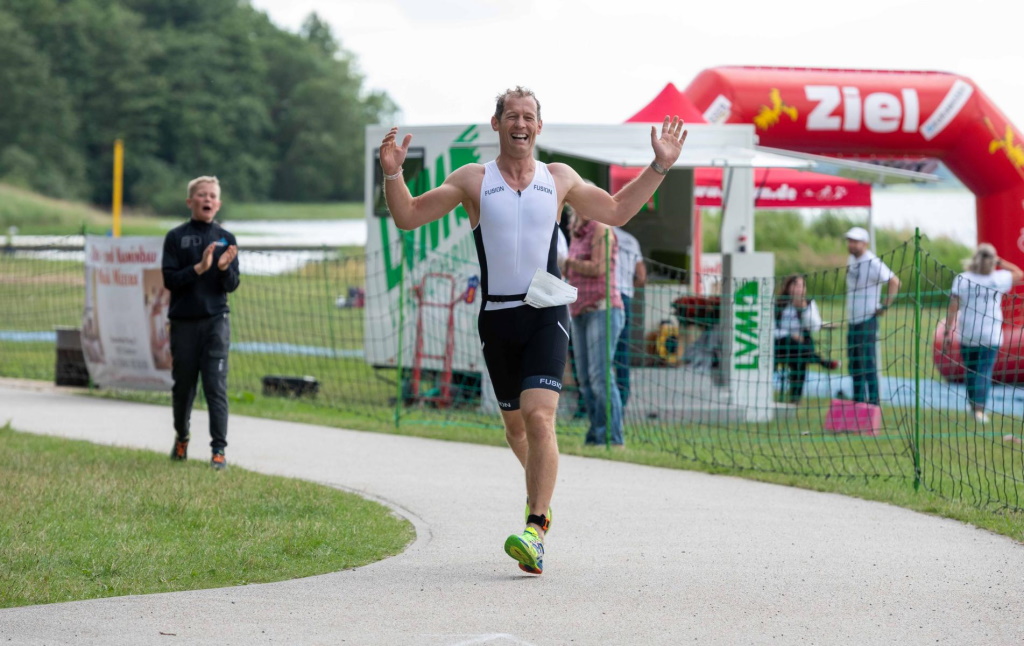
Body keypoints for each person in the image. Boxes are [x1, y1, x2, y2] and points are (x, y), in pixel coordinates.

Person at [379, 86, 686, 575]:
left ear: (539, 127)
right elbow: (408, 216)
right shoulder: (473, 180)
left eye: (529, 117)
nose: (520, 124)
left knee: (540, 418)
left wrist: (660, 166)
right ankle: (539, 502)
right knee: (516, 427)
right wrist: (393, 172)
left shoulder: (559, 178)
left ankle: (536, 526)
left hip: (547, 311)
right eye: (512, 116)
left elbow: (616, 211)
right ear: (496, 124)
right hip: (497, 319)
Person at [162, 176, 240, 470]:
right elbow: (170, 280)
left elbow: (232, 285)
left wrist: (222, 269)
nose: (207, 199)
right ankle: (182, 437)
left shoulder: (227, 239)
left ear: (218, 204)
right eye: (202, 195)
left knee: (215, 386)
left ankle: (218, 451)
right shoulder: (175, 237)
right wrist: (199, 268)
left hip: (216, 323)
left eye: (212, 196)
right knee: (183, 388)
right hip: (183, 324)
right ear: (190, 201)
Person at [564, 207, 625, 447]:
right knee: (585, 379)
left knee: (601, 376)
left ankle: (613, 437)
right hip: (578, 310)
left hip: (603, 308)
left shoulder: (601, 229)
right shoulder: (576, 233)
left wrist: (568, 263)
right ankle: (596, 433)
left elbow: (600, 267)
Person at [943, 244, 1023, 423]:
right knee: (983, 371)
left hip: (968, 332)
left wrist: (948, 331)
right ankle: (979, 409)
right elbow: (1020, 274)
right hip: (991, 333)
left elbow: (953, 307)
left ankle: (973, 405)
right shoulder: (999, 278)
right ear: (993, 260)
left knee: (971, 370)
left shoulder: (963, 278)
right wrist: (1002, 262)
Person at [844, 226, 899, 406]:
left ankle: (873, 402)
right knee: (854, 363)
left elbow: (894, 281)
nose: (852, 244)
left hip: (867, 318)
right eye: (850, 240)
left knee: (867, 362)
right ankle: (858, 400)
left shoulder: (872, 261)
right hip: (853, 319)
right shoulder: (851, 259)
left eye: (856, 241)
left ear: (865, 243)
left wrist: (884, 305)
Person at [774, 274, 839, 404]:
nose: (799, 289)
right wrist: (790, 334)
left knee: (800, 357)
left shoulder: (809, 304)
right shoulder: (779, 304)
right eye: (795, 285)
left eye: (802, 285)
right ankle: (821, 361)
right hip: (780, 345)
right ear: (788, 287)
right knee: (792, 343)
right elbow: (770, 329)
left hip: (800, 348)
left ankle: (795, 399)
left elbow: (815, 326)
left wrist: (803, 310)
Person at [612, 226, 646, 409]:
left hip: (604, 297)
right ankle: (622, 400)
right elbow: (641, 276)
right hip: (625, 297)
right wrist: (628, 286)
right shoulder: (631, 240)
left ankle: (589, 405)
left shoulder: (595, 233)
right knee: (622, 353)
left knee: (598, 355)